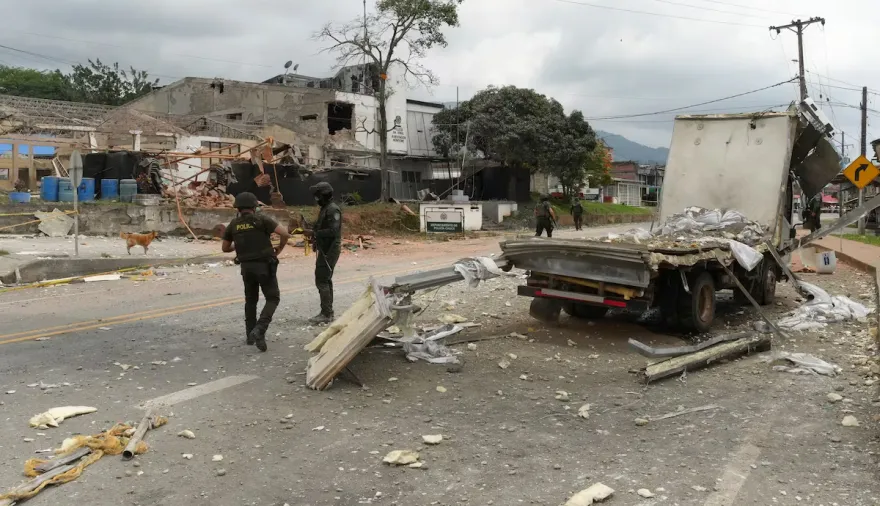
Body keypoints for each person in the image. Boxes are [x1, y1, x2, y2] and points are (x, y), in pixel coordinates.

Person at [221, 192, 289, 352]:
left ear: (238, 208)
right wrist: (279, 249)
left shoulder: (234, 224)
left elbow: (225, 248)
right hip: (265, 266)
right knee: (273, 298)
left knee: (251, 301)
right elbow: (285, 234)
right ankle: (260, 329)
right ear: (254, 207)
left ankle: (249, 335)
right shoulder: (262, 219)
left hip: (246, 268)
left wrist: (238, 245)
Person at [304, 182, 342, 324]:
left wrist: (314, 233)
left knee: (322, 279)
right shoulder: (326, 208)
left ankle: (326, 314)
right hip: (325, 248)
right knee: (325, 279)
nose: (316, 199)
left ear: (323, 195)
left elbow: (333, 231)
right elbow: (321, 226)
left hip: (330, 250)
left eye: (317, 196)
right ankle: (328, 312)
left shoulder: (333, 210)